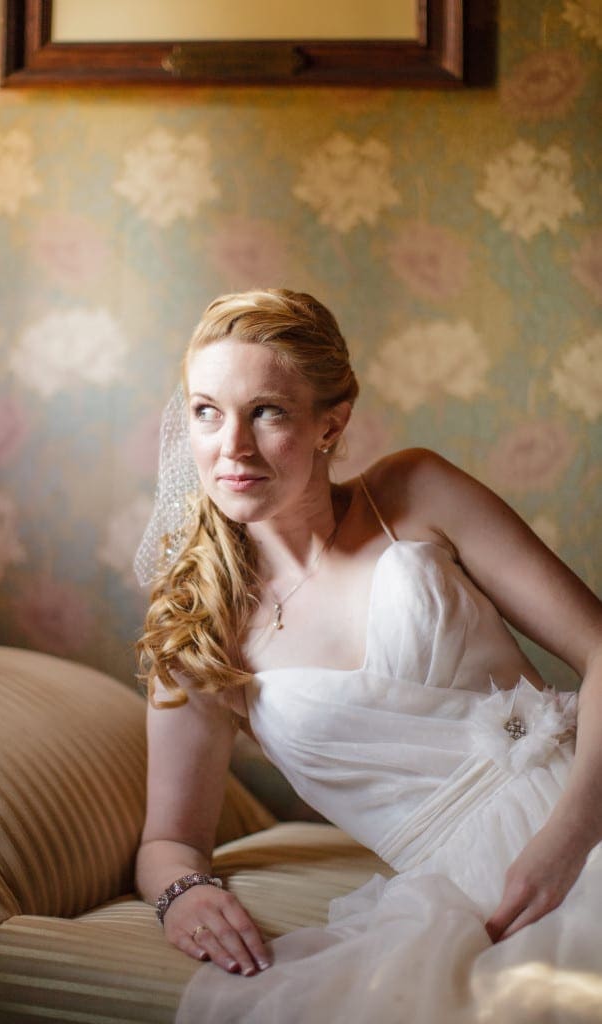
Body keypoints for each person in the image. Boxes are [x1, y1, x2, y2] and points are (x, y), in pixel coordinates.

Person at [134, 289, 602, 1023]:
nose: (233, 447)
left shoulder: (413, 492)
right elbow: (169, 840)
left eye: (267, 412)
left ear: (331, 423)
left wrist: (569, 840)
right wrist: (182, 895)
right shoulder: (199, 630)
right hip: (469, 890)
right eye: (206, 412)